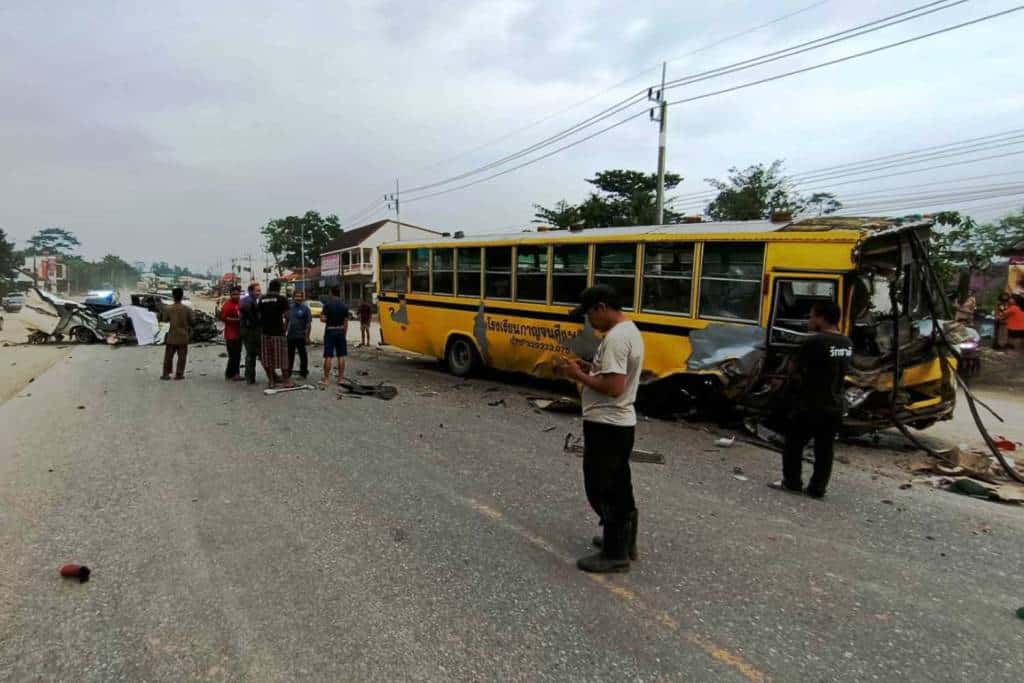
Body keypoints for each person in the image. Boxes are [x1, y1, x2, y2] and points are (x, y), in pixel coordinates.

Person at [558, 284, 644, 574]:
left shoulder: (617, 339)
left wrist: (578, 374)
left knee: (602, 487)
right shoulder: (629, 330)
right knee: (619, 484)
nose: (588, 322)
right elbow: (612, 375)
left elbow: (614, 387)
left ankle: (615, 554)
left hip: (607, 424)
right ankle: (623, 542)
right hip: (619, 424)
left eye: (589, 315)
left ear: (601, 308)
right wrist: (588, 367)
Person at [769, 300, 852, 499]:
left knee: (793, 445)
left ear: (822, 318)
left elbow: (794, 369)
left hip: (810, 404)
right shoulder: (846, 343)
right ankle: (817, 489)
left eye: (812, 316)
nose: (809, 320)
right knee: (825, 450)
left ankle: (792, 482)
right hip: (835, 405)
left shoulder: (814, 342)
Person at [257, 280, 292, 388]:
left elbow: (258, 316)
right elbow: (288, 316)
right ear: (278, 288)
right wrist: (285, 329)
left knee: (268, 358)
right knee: (282, 358)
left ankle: (271, 381)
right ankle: (286, 381)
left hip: (265, 333)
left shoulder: (262, 299)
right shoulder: (282, 299)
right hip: (278, 333)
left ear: (269, 287)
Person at [159, 287, 194, 380]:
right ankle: (179, 374)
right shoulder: (187, 309)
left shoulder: (168, 308)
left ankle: (166, 374)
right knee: (182, 357)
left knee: (168, 357)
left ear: (173, 296)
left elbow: (164, 319)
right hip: (183, 336)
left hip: (172, 336)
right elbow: (192, 321)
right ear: (182, 296)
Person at [320, 285, 350, 385]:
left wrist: (330, 319)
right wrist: (344, 334)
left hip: (330, 331)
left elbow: (322, 318)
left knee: (328, 355)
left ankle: (326, 379)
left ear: (331, 293)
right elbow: (346, 322)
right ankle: (340, 379)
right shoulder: (344, 306)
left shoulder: (327, 305)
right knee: (341, 356)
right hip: (341, 331)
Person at [240, 282, 262, 384]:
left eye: (259, 290)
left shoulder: (250, 300)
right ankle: (250, 377)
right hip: (250, 331)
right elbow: (251, 316)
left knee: (251, 354)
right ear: (251, 291)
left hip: (248, 330)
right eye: (257, 290)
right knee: (251, 354)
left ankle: (249, 376)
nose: (259, 292)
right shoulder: (248, 301)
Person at [287, 289, 312, 379]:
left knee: (303, 355)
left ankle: (303, 373)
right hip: (290, 336)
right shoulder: (289, 307)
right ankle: (288, 374)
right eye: (296, 296)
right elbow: (286, 321)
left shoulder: (306, 309)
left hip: (301, 336)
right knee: (290, 356)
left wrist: (307, 337)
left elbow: (308, 324)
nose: (298, 298)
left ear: (302, 298)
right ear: (293, 297)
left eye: (300, 296)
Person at [220, 285, 244, 380]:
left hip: (239, 333)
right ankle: (233, 374)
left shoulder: (241, 304)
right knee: (233, 355)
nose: (236, 296)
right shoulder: (227, 305)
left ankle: (231, 373)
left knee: (237, 355)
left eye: (237, 294)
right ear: (230, 295)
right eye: (234, 294)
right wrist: (237, 320)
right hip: (230, 334)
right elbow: (223, 318)